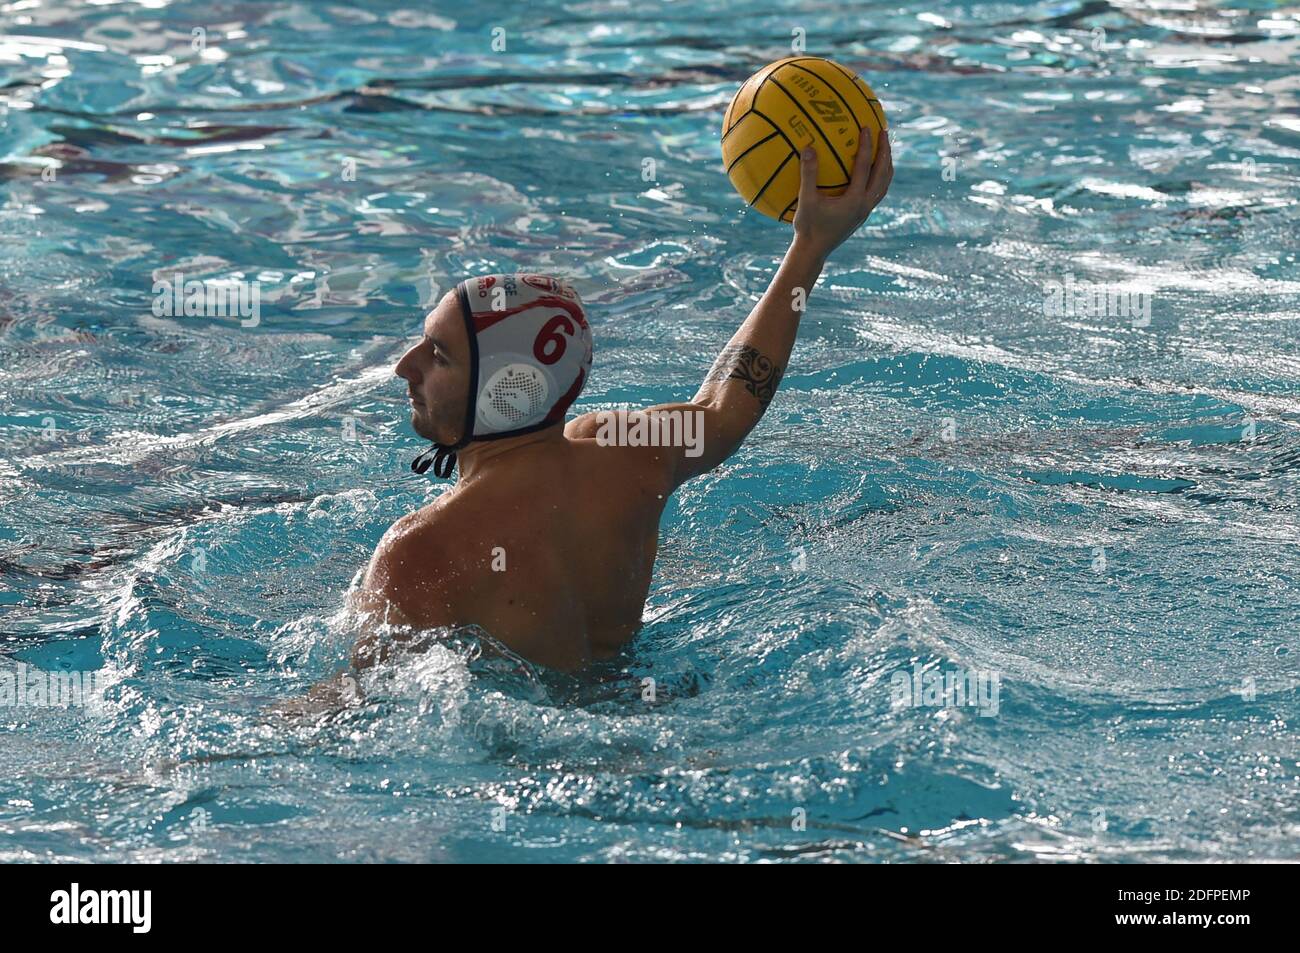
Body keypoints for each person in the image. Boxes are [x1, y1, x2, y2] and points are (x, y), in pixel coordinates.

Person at [349, 130, 894, 677]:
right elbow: (727, 406)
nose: (405, 366)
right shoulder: (626, 455)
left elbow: (363, 706)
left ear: (508, 388)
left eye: (438, 354)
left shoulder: (420, 549)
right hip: (648, 708)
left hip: (531, 756)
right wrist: (810, 247)